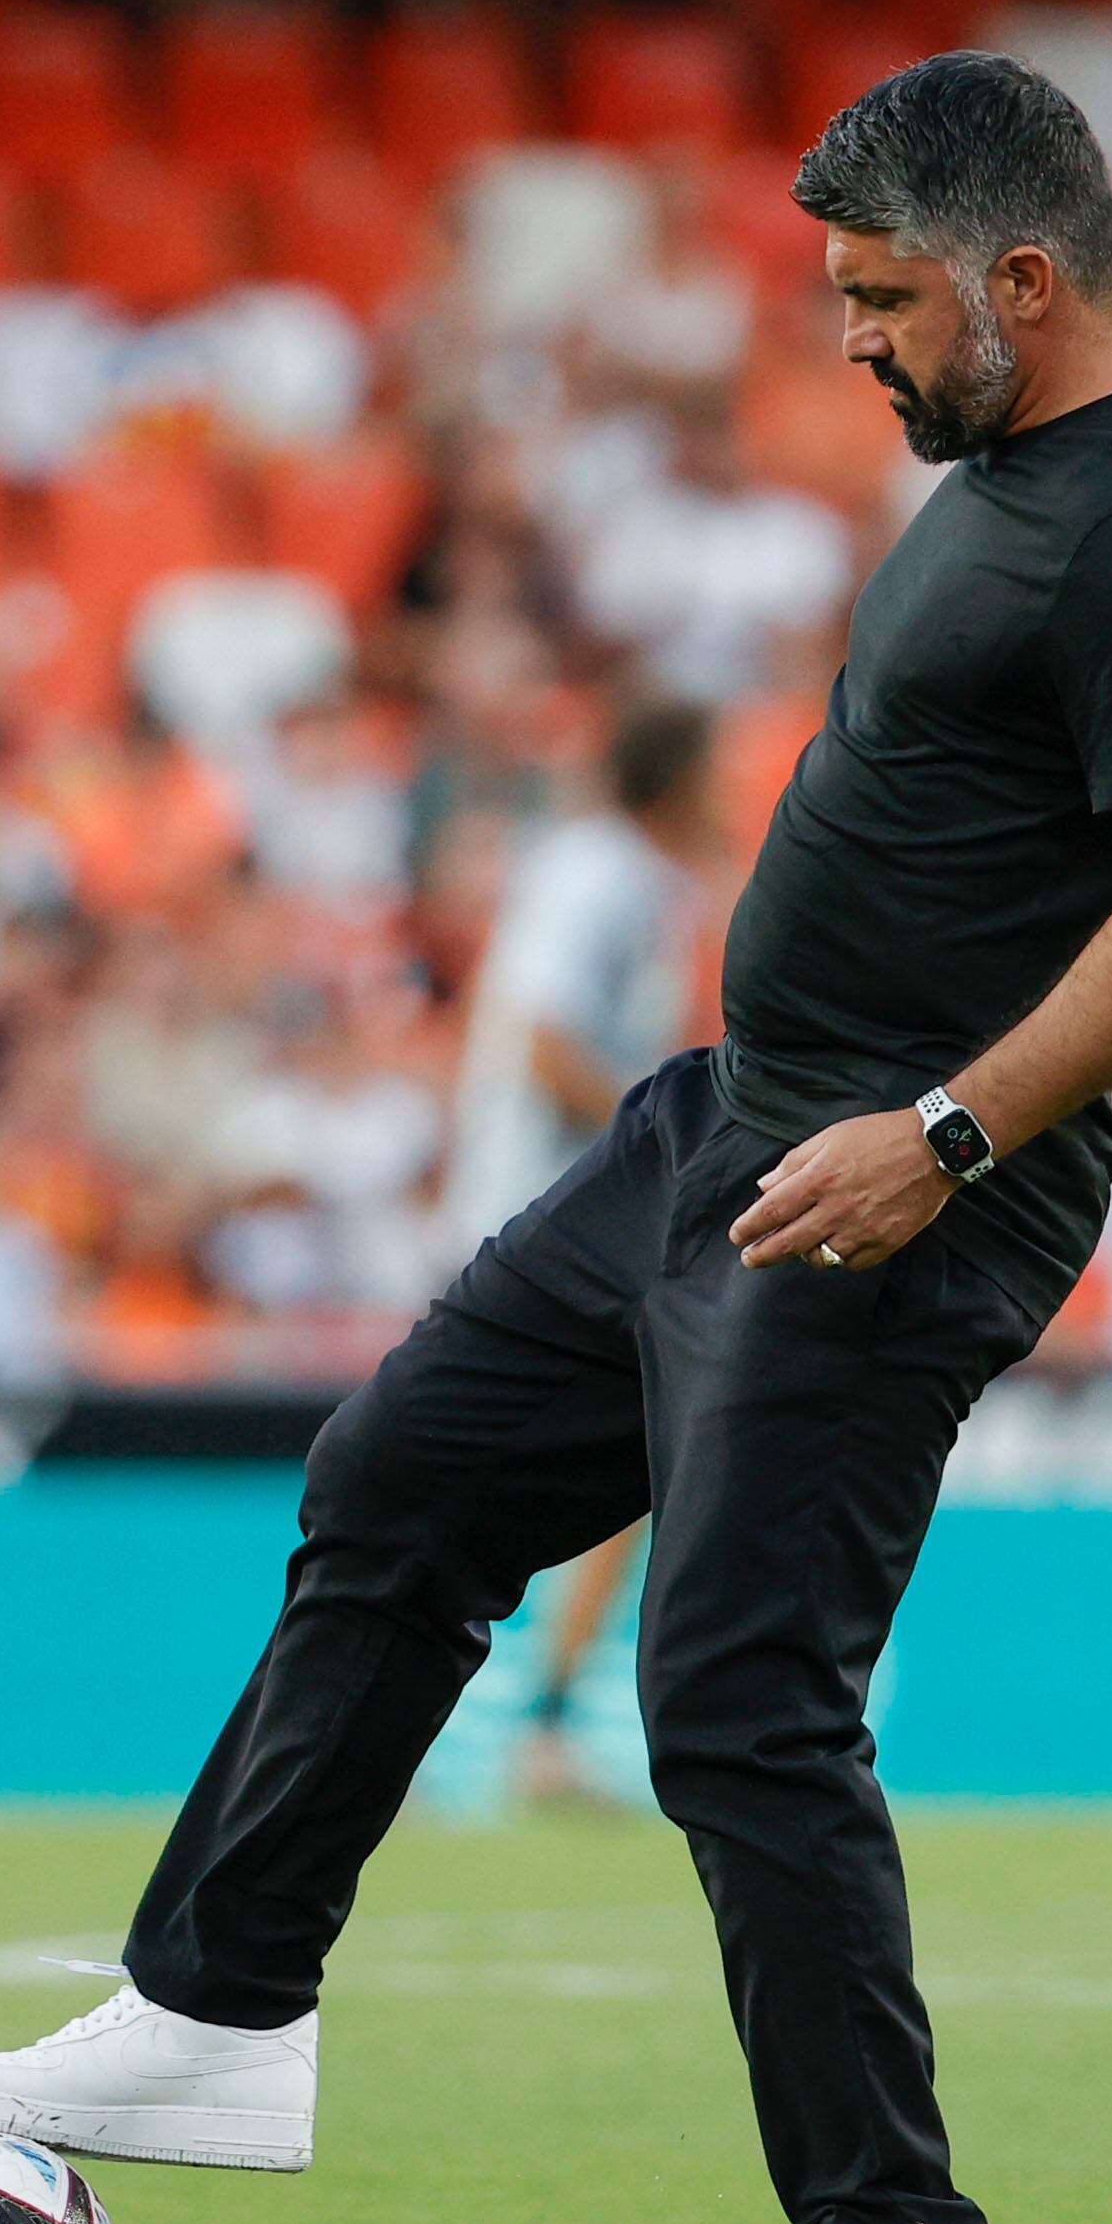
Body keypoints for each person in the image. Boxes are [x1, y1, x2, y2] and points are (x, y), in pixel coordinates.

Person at [0, 53, 1112, 2224]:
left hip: (877, 1192)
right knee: (399, 1482)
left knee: (735, 1695)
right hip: (734, 1123)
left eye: (874, 298)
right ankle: (220, 2005)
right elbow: (1055, 838)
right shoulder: (1023, 470)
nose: (844, 338)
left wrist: (966, 1134)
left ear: (1019, 283)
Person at [440, 701, 724, 1806]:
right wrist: (672, 1145)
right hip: (544, 1214)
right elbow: (544, 1035)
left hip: (573, 1212)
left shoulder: (636, 878)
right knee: (590, 1461)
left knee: (635, 1460)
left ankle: (537, 1725)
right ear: (671, 774)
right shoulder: (596, 873)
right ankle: (508, 1724)